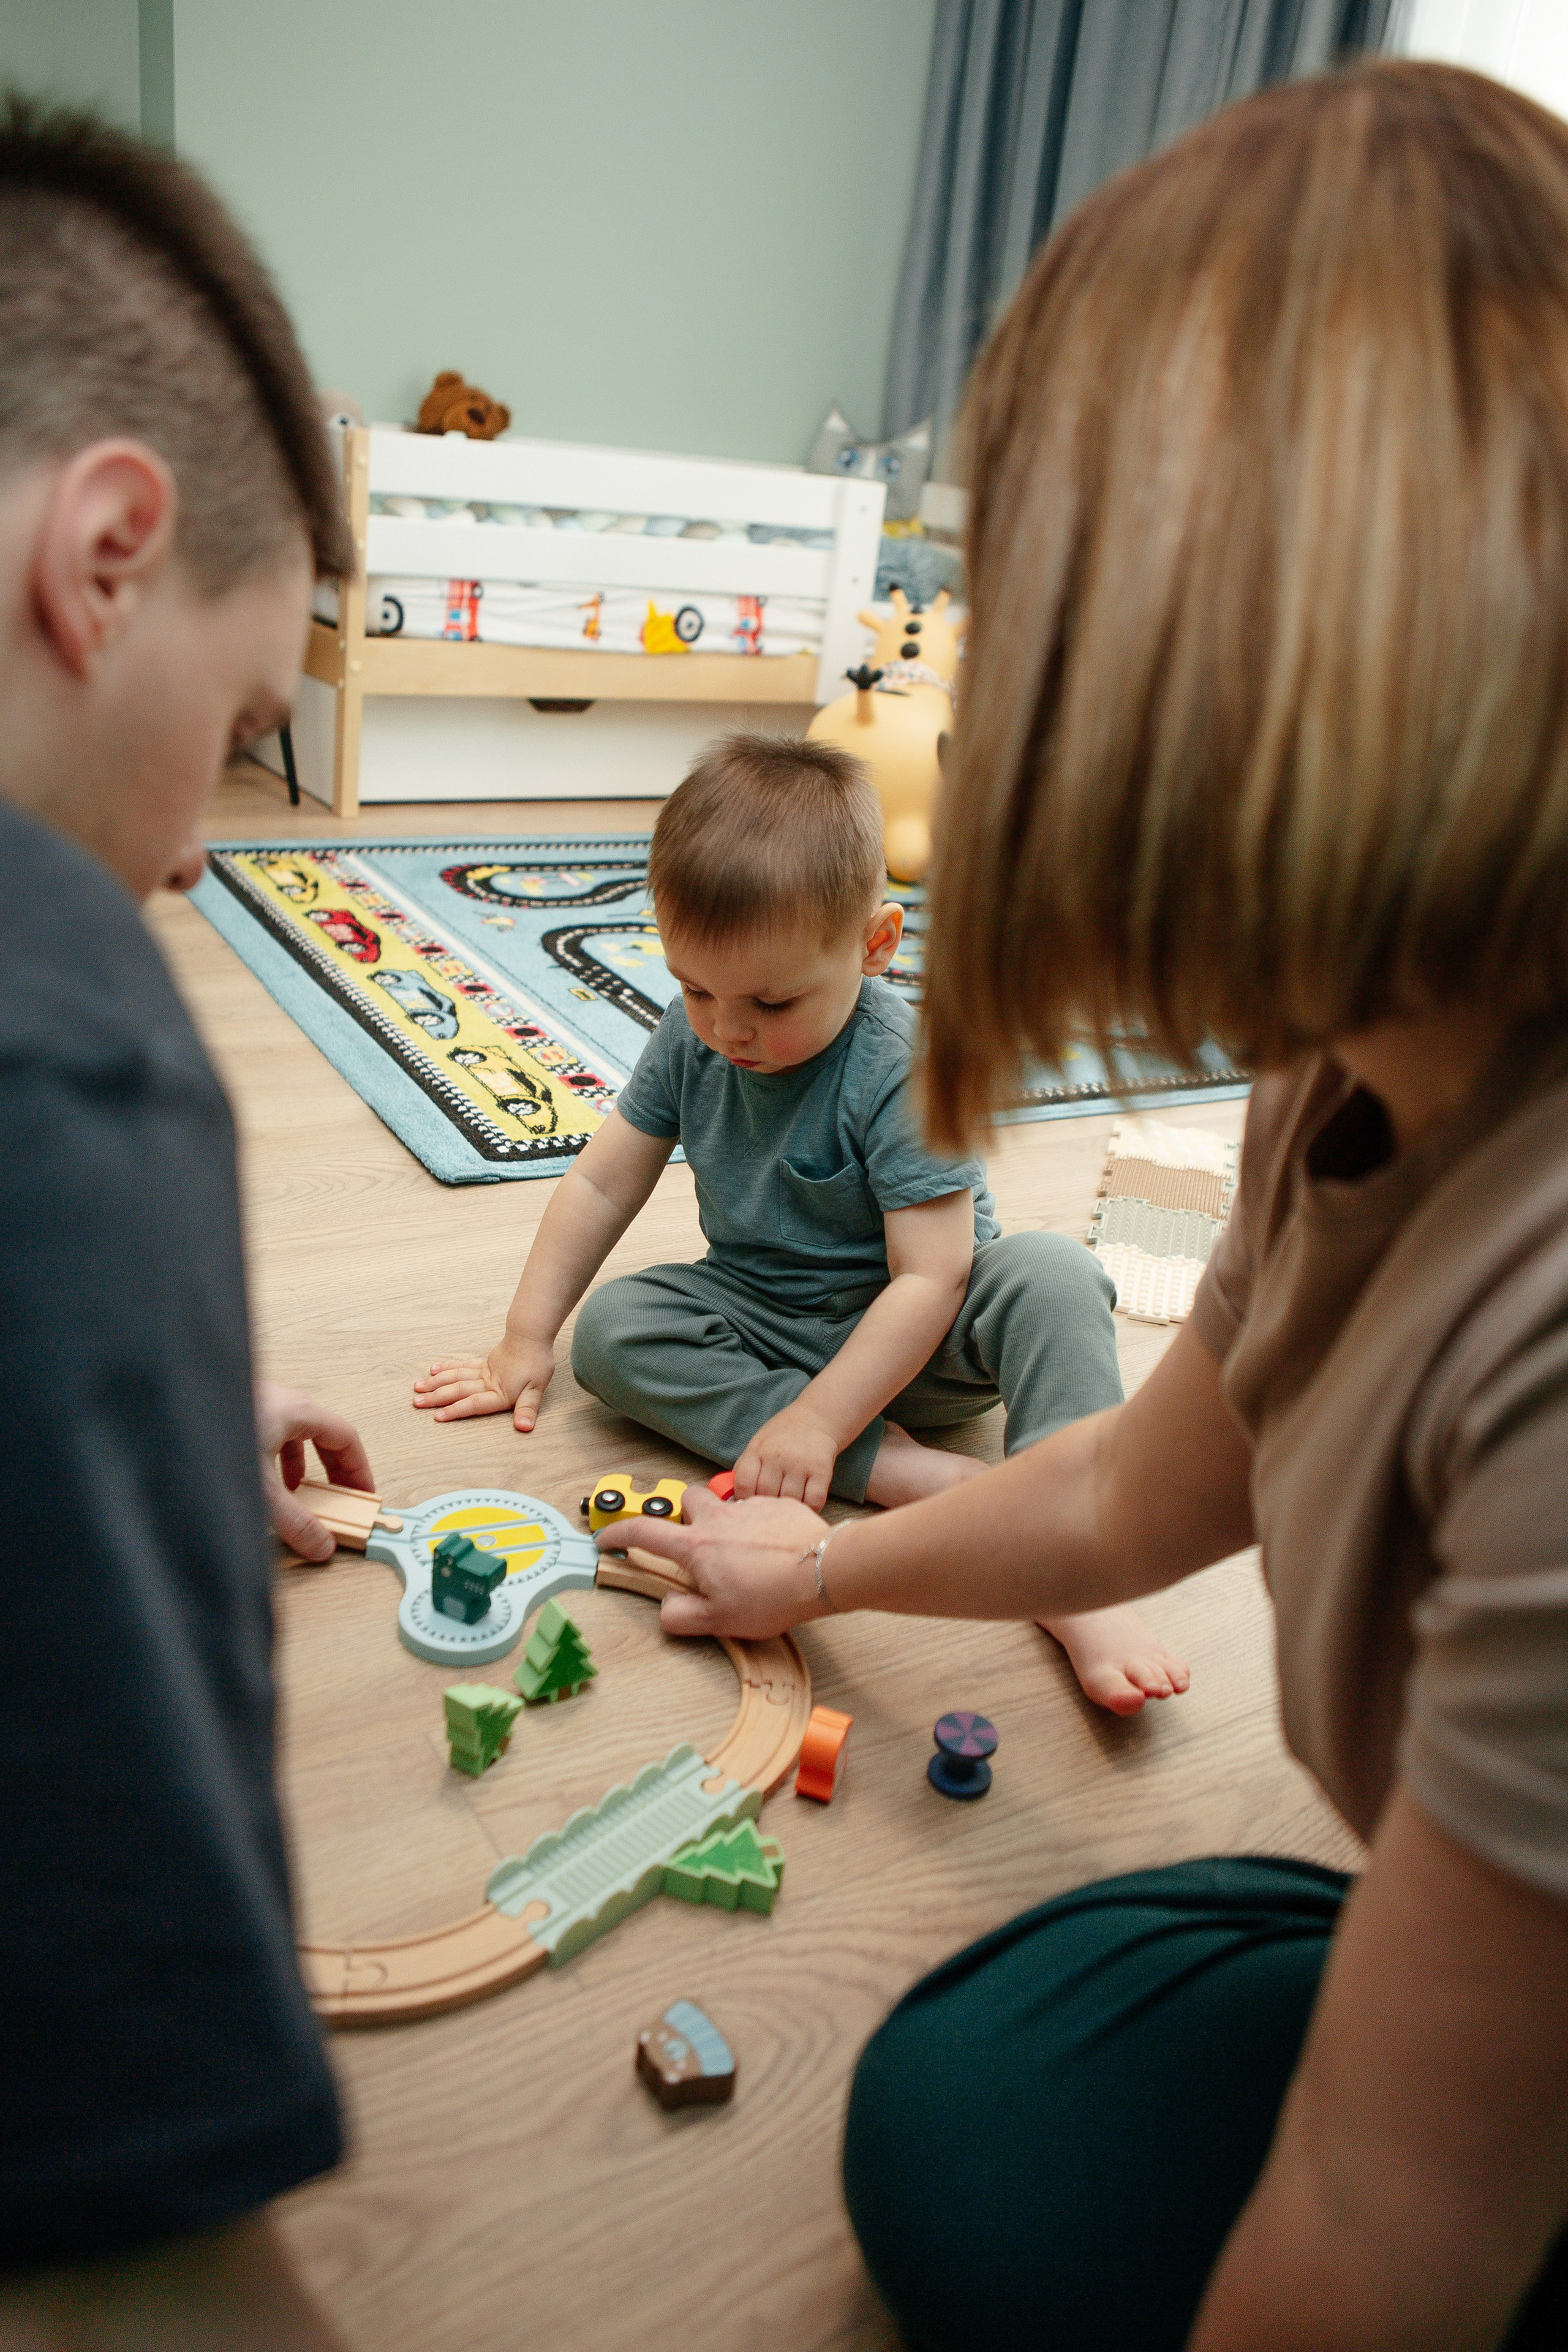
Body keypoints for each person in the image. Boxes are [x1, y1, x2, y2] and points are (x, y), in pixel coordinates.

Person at [612, 61, 1568, 2352]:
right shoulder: (1345, 1063)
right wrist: (820, 1565)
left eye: (1036, 616)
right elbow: (1148, 1484)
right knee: (977, 2110)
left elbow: (1386, 2224)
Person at [0, 100, 369, 2346]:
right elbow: (145, 2272)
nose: (204, 849)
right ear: (108, 550)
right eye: (241, 726)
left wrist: (104, 1421)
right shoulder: (68, 1046)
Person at [414, 732, 1186, 1716]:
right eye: (696, 987)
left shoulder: (900, 1064)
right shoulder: (694, 1036)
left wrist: (818, 1420)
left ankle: (1070, 1549)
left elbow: (933, 1276)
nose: (727, 1028)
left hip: (925, 1330)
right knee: (613, 1332)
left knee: (1054, 1275)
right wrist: (526, 1337)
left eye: (771, 1001)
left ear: (875, 945)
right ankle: (905, 1473)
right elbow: (603, 1185)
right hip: (766, 1314)